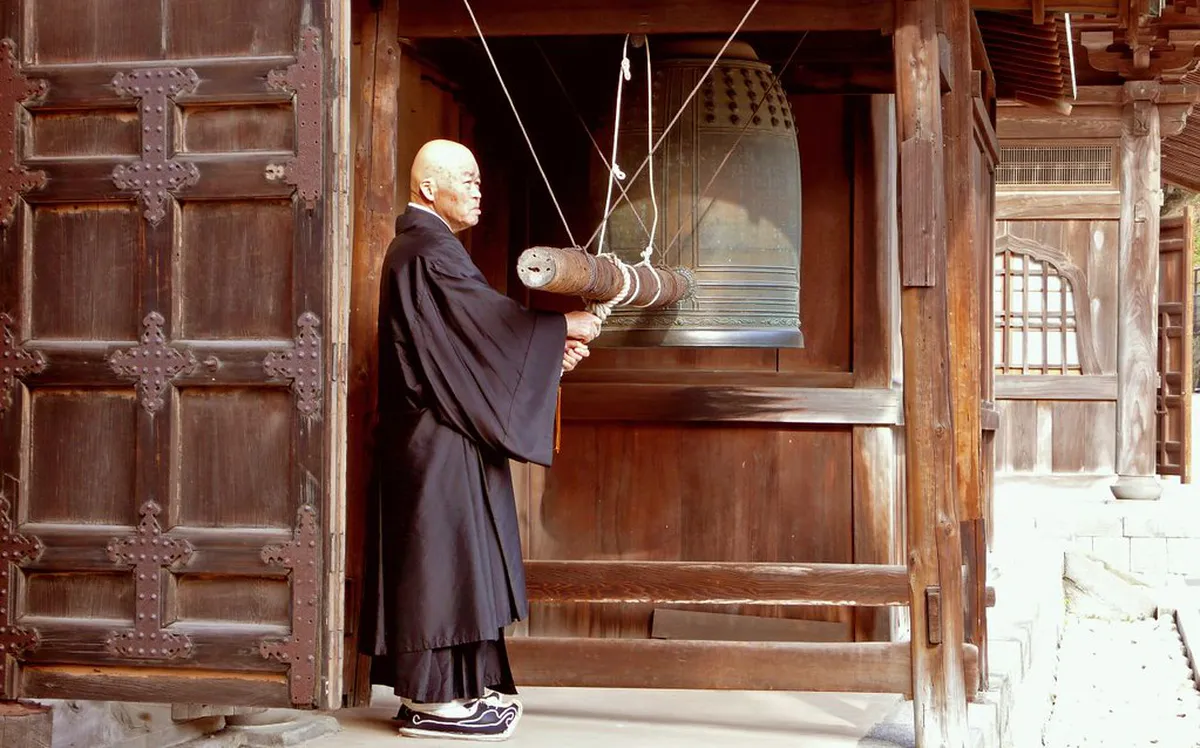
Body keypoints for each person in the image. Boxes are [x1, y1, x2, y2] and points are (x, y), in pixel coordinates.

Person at [358, 138, 601, 742]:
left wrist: (545, 356)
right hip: (434, 438)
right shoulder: (426, 249)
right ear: (426, 189)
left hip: (447, 432)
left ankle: (451, 694)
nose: (477, 188)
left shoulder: (428, 249)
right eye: (464, 178)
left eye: (478, 179)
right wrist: (559, 326)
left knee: (458, 560)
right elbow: (485, 324)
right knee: (442, 562)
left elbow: (470, 345)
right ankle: (435, 704)